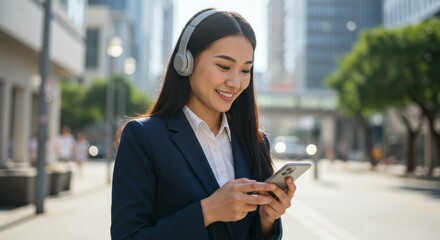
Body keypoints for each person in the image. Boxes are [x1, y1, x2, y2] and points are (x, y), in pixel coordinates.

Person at [111, 9, 296, 240]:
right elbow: (127, 236)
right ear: (185, 63)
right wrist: (208, 211)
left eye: (246, 70)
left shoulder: (255, 142)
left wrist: (268, 220)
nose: (236, 82)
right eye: (224, 66)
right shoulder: (143, 138)